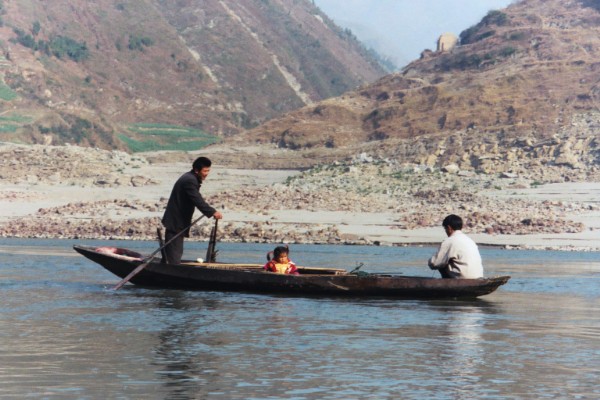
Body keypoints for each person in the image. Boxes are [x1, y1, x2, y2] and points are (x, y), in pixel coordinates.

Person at [161, 156, 223, 264]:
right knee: (174, 254)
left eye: (208, 170)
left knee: (173, 252)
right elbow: (197, 200)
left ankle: (169, 265)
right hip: (176, 221)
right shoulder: (189, 180)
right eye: (205, 170)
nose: (206, 173)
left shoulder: (190, 178)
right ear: (196, 170)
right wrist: (212, 212)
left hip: (177, 221)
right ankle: (172, 269)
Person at [428, 214, 483, 279]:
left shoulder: (449, 241)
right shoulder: (470, 240)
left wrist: (430, 261)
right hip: (478, 277)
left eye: (445, 229)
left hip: (462, 279)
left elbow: (435, 263)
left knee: (443, 262)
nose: (446, 231)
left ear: (449, 228)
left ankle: (447, 285)